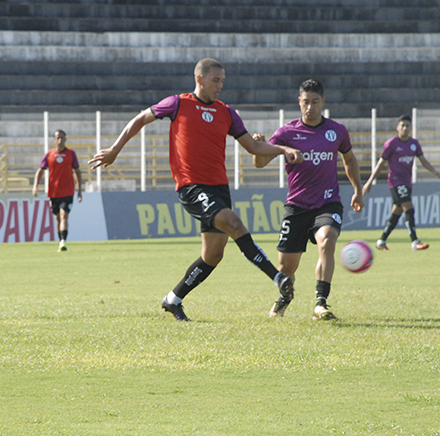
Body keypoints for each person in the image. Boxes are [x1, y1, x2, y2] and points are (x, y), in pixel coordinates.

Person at [89, 58, 303, 322]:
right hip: (192, 186)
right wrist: (115, 149)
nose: (220, 86)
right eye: (216, 80)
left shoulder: (227, 112)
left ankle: (173, 299)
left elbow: (253, 147)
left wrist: (283, 149)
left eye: (223, 81)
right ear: (199, 79)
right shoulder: (178, 103)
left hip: (219, 188)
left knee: (213, 254)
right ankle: (278, 277)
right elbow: (140, 119)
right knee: (235, 224)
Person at [254, 79, 364, 321]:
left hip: (328, 202)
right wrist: (260, 147)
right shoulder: (286, 133)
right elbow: (261, 163)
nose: (310, 107)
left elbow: (349, 160)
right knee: (286, 268)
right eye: (306, 102)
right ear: (299, 102)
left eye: (315, 102)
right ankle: (285, 297)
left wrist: (358, 189)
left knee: (327, 240)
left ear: (323, 102)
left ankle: (320, 303)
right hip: (297, 206)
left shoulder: (337, 131)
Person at [363, 114, 440, 251]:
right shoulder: (391, 144)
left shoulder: (414, 144)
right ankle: (415, 241)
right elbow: (381, 163)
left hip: (407, 182)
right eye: (402, 125)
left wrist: (434, 171)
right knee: (409, 207)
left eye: (407, 126)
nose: (405, 128)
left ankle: (381, 241)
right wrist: (370, 181)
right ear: (397, 127)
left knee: (397, 212)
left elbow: (423, 161)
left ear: (411, 128)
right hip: (395, 182)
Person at [32, 129, 83, 251]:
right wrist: (35, 185)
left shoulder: (71, 154)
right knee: (57, 217)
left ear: (65, 139)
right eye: (57, 138)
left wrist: (80, 190)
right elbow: (41, 170)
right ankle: (60, 239)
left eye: (62, 138)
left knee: (64, 214)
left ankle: (63, 241)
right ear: (54, 140)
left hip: (68, 191)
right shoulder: (49, 154)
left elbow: (77, 172)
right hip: (54, 192)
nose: (60, 140)